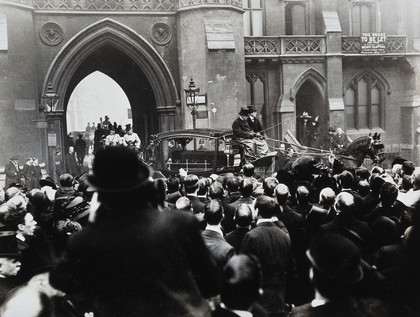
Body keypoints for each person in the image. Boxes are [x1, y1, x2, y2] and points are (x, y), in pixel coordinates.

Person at [49, 146, 221, 316]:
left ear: (99, 193)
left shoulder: (85, 240)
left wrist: (93, 223)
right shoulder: (181, 223)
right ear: (143, 184)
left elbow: (60, 280)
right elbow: (211, 283)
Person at [241, 195, 296, 316]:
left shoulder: (251, 236)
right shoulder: (284, 236)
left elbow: (244, 270)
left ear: (257, 211)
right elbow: (292, 270)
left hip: (257, 303)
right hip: (279, 301)